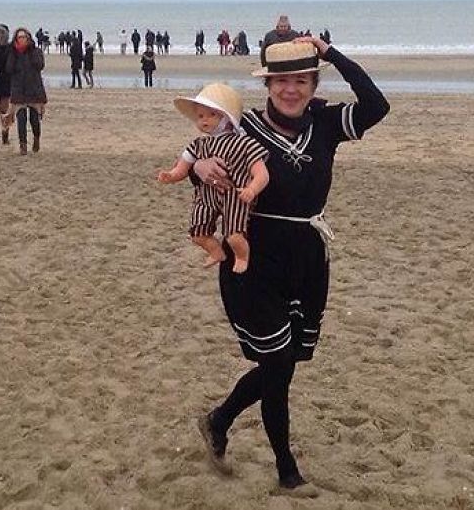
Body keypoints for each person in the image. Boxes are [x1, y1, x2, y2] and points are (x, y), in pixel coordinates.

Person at [192, 38, 389, 495]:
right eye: (282, 80)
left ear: (314, 82)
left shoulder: (325, 122)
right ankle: (286, 470)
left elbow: (376, 105)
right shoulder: (243, 129)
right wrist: (201, 166)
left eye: (301, 80)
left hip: (307, 261)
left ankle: (218, 420)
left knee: (283, 366)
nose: (291, 90)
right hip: (253, 260)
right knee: (277, 363)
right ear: (268, 84)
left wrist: (333, 53)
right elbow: (202, 163)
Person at [157, 83, 269, 273]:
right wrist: (171, 175)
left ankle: (242, 257)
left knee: (234, 236)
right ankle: (217, 252)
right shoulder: (198, 145)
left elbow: (262, 174)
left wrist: (252, 189)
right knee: (198, 233)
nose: (204, 120)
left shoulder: (245, 143)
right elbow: (183, 168)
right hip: (206, 196)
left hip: (235, 196)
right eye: (200, 116)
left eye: (211, 115)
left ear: (227, 118)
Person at [5, 27, 46, 155]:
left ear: (28, 38)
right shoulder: (13, 52)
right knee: (21, 118)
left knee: (34, 119)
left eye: (24, 37)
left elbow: (40, 65)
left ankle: (36, 138)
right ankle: (23, 145)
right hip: (19, 90)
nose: (22, 40)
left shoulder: (36, 51)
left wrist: (30, 50)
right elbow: (9, 69)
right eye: (19, 37)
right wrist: (13, 52)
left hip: (34, 89)